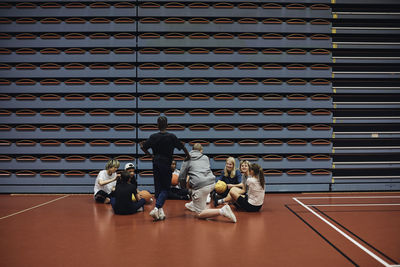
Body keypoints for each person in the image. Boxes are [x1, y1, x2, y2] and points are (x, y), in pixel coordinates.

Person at [140, 116, 190, 221]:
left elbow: (143, 147)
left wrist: (151, 156)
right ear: (167, 125)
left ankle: (160, 212)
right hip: (166, 164)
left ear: (157, 125)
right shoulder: (171, 136)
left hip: (156, 163)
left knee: (158, 188)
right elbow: (182, 147)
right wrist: (188, 156)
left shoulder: (153, 136)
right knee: (166, 188)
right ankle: (157, 207)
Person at [179, 143, 237, 223]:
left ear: (192, 150)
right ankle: (194, 204)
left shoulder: (187, 159)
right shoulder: (205, 157)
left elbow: (182, 176)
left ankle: (222, 211)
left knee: (200, 213)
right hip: (212, 183)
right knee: (197, 188)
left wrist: (183, 188)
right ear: (201, 150)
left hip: (201, 187)